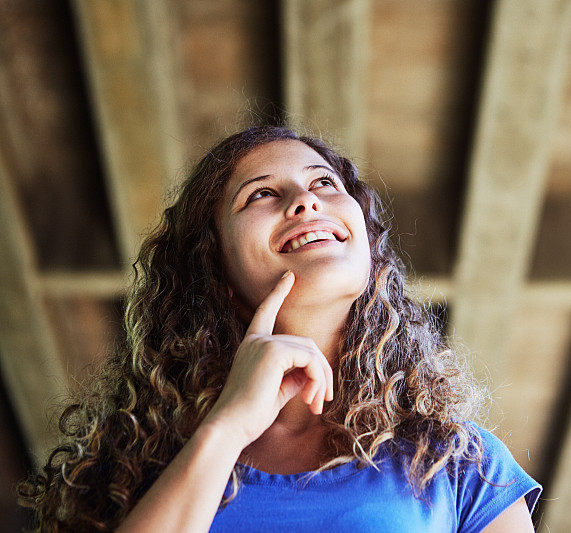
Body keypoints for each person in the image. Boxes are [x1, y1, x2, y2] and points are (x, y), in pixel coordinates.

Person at [18, 125, 542, 531]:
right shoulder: (131, 473)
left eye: (324, 183)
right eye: (261, 194)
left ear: (371, 253)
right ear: (212, 267)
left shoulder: (459, 460)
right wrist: (225, 430)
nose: (306, 200)